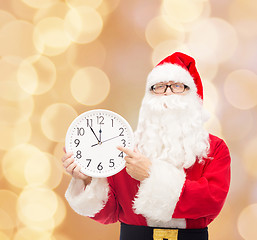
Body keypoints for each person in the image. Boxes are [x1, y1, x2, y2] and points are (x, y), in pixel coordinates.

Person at [62, 52, 231, 240]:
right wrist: (87, 179)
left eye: (177, 86)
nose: (167, 92)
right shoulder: (126, 147)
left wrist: (151, 174)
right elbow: (110, 213)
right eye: (159, 87)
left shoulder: (215, 149)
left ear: (193, 96)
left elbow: (210, 202)